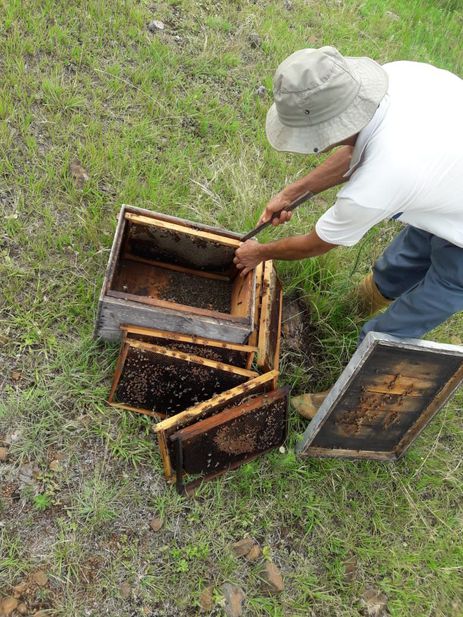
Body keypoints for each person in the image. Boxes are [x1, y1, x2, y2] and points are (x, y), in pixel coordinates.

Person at [233, 46, 463, 418]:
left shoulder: (382, 180)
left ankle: (353, 398)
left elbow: (317, 243)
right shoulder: (396, 78)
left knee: (395, 329)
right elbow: (357, 147)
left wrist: (259, 252)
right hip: (449, 185)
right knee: (404, 261)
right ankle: (356, 309)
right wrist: (292, 193)